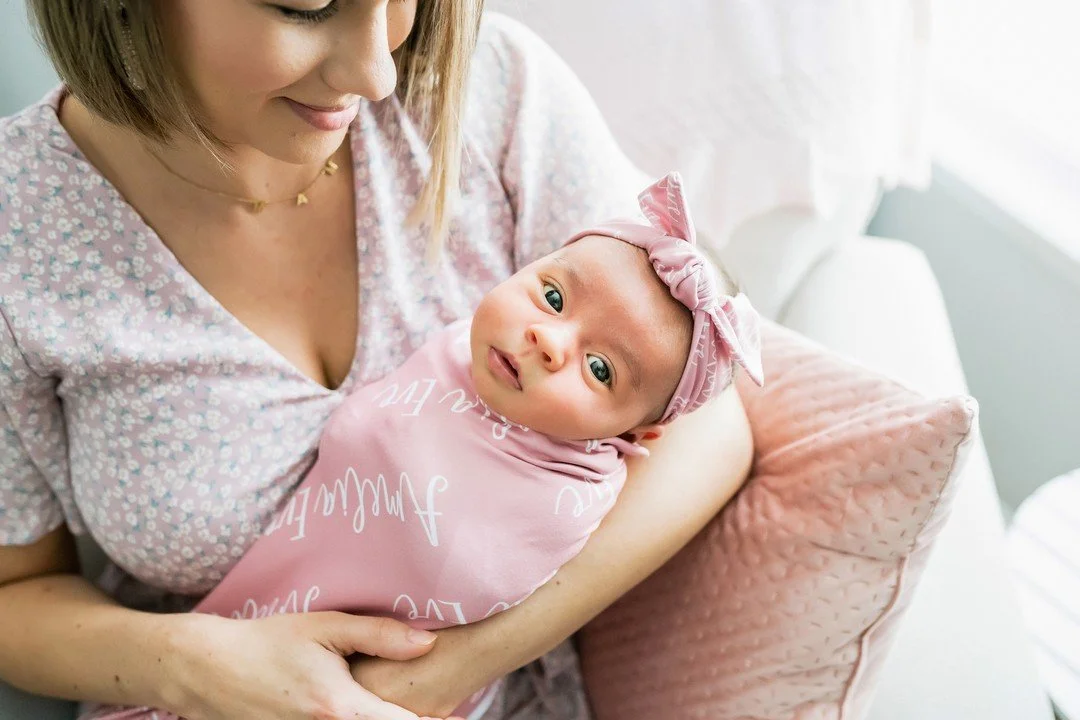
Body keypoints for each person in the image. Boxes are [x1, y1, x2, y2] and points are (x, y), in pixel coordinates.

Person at [0, 2, 755, 719]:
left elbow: (704, 417)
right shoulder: (21, 228)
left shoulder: (491, 89)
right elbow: (15, 592)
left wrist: (451, 667)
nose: (376, 75)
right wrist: (196, 664)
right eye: (304, 7)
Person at [82, 172, 763, 720]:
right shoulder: (457, 351)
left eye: (601, 369)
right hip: (242, 638)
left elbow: (468, 570)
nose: (548, 340)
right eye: (552, 295)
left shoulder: (567, 492)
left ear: (635, 435)